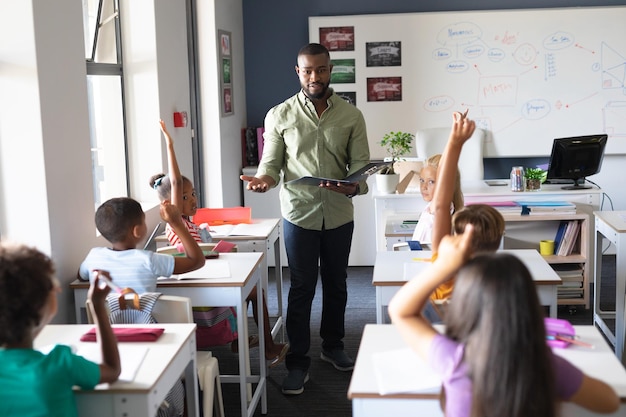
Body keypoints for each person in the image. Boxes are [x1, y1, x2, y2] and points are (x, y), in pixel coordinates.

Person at [240, 42, 371, 395]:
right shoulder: (279, 115)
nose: (315, 77)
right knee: (301, 288)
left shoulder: (351, 116)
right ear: (298, 72)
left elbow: (359, 168)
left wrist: (354, 187)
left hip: (339, 214)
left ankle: (332, 345)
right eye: (308, 71)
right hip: (298, 214)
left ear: (331, 70)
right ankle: (298, 361)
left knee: (337, 283)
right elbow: (270, 165)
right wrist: (263, 181)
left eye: (322, 70)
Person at [388, 226, 620, 417]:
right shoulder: (547, 366)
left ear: (464, 307)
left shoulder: (454, 359)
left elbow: (401, 311)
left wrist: (444, 265)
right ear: (528, 306)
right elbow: (610, 403)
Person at [152, 120, 288, 367]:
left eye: (193, 194)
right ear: (168, 205)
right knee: (256, 289)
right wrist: (170, 145)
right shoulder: (176, 224)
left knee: (252, 282)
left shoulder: (186, 224)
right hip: (204, 297)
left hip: (205, 282)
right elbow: (175, 182)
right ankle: (266, 348)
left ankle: (242, 341)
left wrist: (220, 246)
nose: (192, 200)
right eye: (184, 197)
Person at [0, 242, 121, 417]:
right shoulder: (61, 363)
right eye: (53, 284)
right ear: (40, 304)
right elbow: (112, 369)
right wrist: (98, 306)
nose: (58, 289)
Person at [78, 197, 205, 293]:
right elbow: (196, 260)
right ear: (137, 231)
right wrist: (176, 223)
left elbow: (81, 276)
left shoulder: (94, 256)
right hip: (146, 327)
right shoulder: (148, 260)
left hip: (106, 327)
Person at [410, 153, 463, 247]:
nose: (424, 187)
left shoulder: (441, 209)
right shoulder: (429, 208)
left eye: (431, 182)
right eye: (422, 180)